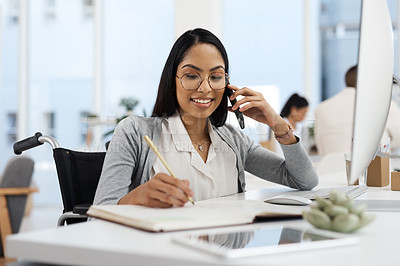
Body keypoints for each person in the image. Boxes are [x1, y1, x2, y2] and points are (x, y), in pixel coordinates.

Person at [93, 28, 318, 208]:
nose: (205, 88)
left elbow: (304, 181)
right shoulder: (134, 132)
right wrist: (135, 198)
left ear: (227, 84)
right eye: (192, 76)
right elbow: (98, 217)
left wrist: (278, 124)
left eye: (216, 76)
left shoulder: (234, 141)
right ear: (172, 81)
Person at [314, 65, 400, 156]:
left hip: (329, 168)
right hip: (372, 168)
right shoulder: (383, 104)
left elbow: (320, 146)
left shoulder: (321, 108)